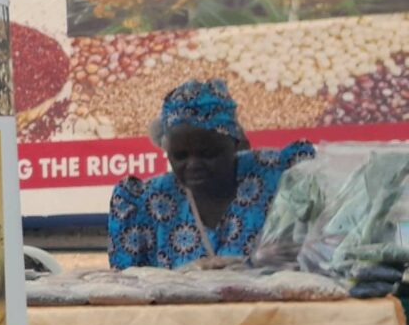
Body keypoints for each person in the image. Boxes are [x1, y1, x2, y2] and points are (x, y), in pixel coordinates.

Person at [107, 78, 313, 269]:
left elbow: (317, 253)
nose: (193, 164)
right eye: (180, 156)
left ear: (236, 144)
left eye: (208, 153)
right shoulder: (147, 203)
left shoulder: (277, 177)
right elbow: (129, 286)